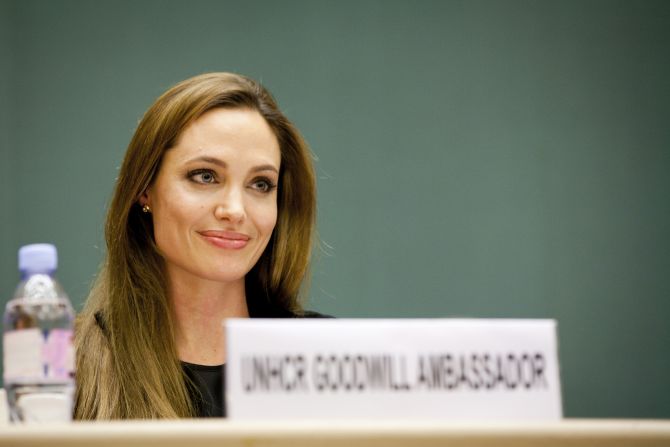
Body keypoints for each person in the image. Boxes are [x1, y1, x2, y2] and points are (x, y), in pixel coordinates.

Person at [74, 72, 327, 419]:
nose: (235, 211)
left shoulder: (326, 358)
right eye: (205, 176)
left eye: (261, 184)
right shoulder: (69, 366)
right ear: (144, 189)